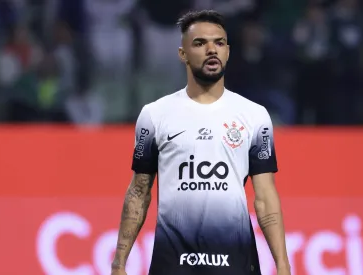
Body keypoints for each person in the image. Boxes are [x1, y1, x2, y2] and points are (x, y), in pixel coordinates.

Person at [110, 10, 291, 275]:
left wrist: (283, 265)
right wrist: (119, 262)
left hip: (234, 262)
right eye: (200, 43)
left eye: (218, 43)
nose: (211, 50)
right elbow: (139, 192)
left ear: (228, 51)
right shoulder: (154, 115)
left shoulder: (254, 116)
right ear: (182, 53)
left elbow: (265, 198)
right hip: (173, 264)